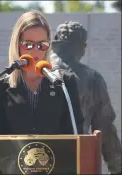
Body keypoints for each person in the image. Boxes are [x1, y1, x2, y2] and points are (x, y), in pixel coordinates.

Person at [0, 10, 84, 136]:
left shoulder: (64, 83)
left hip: (58, 155)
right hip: (12, 156)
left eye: (42, 45)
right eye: (29, 44)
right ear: (17, 45)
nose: (36, 50)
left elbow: (76, 133)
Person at [50, 21, 121, 174]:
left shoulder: (30, 72)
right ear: (80, 47)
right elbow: (105, 128)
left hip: (34, 157)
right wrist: (117, 168)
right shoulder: (92, 78)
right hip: (76, 160)